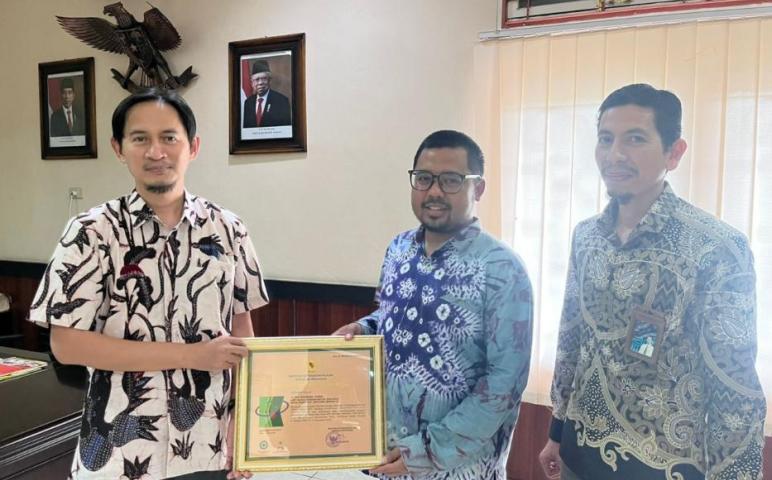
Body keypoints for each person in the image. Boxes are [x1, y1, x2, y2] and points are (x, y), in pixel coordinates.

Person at [29, 88, 268, 480]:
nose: (156, 152)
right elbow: (66, 344)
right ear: (119, 148)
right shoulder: (90, 232)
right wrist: (191, 356)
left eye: (169, 137)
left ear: (193, 147)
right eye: (140, 138)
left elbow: (243, 333)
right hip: (116, 455)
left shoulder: (229, 230)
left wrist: (243, 421)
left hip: (208, 447)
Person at [538, 84, 766, 480]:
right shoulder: (587, 236)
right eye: (605, 139)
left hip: (663, 466)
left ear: (674, 153)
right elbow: (572, 338)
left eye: (635, 139)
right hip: (579, 454)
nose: (615, 154)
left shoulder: (714, 248)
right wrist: (556, 431)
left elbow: (734, 386)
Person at [334, 130, 533, 479]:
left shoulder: (503, 269)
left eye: (451, 180)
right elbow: (393, 315)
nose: (435, 191)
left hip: (458, 467)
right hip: (389, 456)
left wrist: (426, 450)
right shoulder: (398, 249)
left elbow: (504, 384)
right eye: (424, 178)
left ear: (478, 188)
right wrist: (365, 327)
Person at [242, 60, 291, 128]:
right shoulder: (248, 102)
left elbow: (285, 129)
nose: (260, 83)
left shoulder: (282, 101)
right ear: (252, 83)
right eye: (257, 79)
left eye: (264, 79)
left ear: (269, 80)